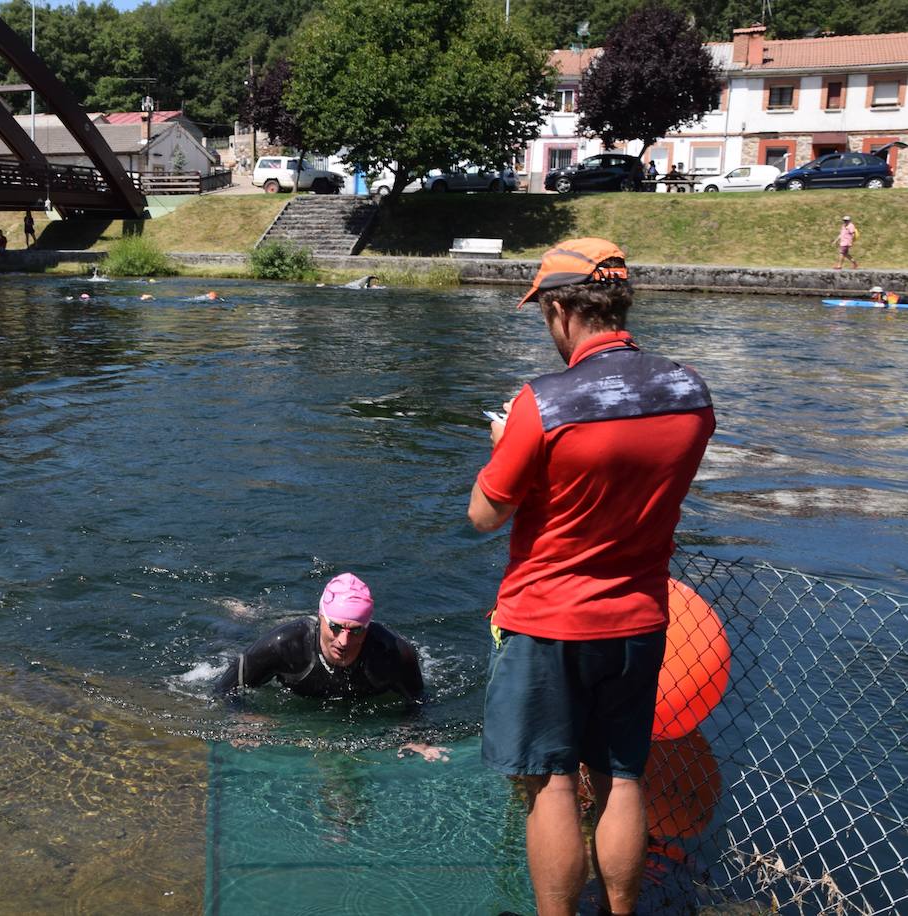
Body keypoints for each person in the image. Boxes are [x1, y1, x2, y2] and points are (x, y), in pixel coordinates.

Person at [468, 238, 714, 916]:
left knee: (551, 781)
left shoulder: (542, 403)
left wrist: (505, 451)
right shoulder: (690, 390)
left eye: (544, 313)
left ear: (562, 309)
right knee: (623, 778)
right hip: (639, 616)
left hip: (548, 619)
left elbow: (485, 514)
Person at [213, 573, 432, 711]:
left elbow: (420, 703)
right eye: (335, 627)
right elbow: (223, 690)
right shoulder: (283, 646)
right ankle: (244, 613)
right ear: (321, 618)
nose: (344, 641)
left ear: (368, 627)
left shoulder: (393, 654)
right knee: (238, 632)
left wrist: (415, 734)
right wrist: (243, 716)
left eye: (356, 631)